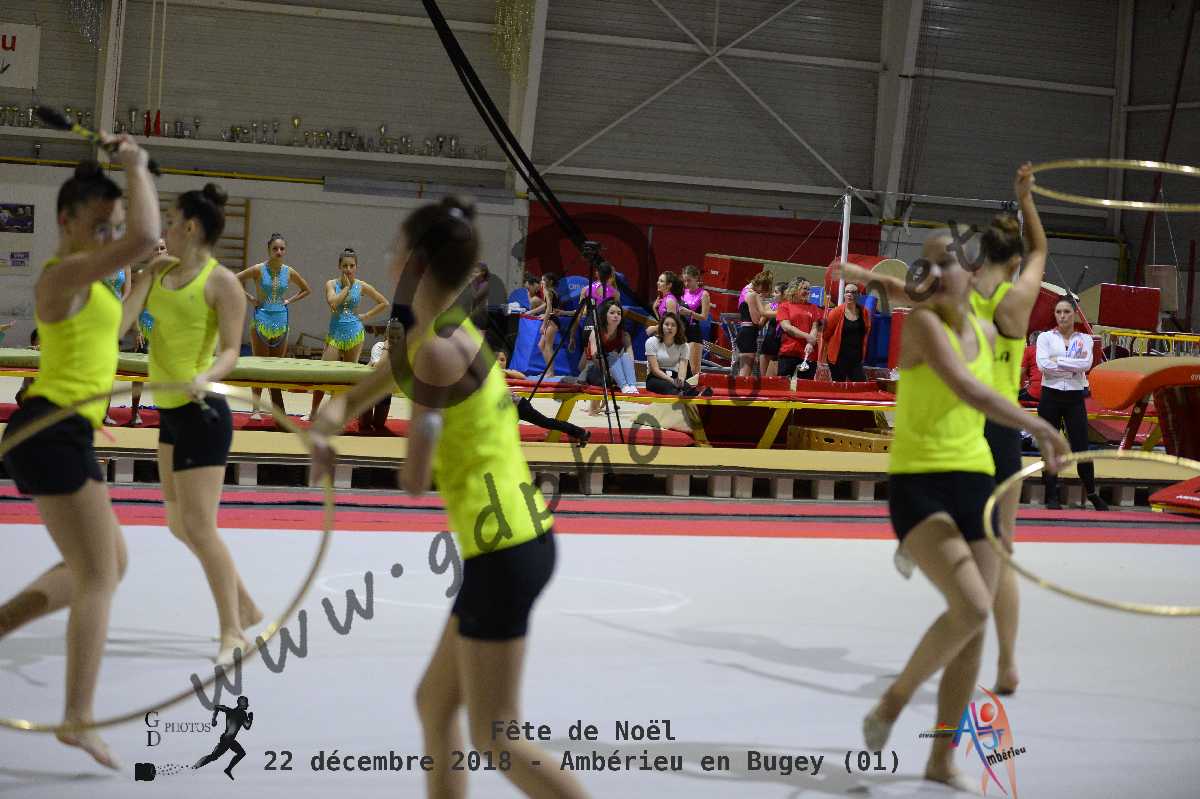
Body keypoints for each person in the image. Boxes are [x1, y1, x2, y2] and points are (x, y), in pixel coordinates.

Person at [312, 196, 590, 799]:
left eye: (395, 247)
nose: (388, 256)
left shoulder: (435, 352)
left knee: (497, 737)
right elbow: (357, 396)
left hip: (505, 549)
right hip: (514, 541)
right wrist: (324, 426)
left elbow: (415, 480)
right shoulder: (441, 334)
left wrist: (347, 445)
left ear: (413, 263)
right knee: (435, 705)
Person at [861, 230, 1068, 791]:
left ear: (970, 273)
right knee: (974, 605)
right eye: (926, 265)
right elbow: (969, 389)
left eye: (946, 262)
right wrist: (1040, 426)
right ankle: (895, 699)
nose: (934, 273)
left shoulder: (990, 323)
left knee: (972, 627)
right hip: (919, 480)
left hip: (975, 476)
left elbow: (1036, 256)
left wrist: (1026, 206)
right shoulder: (924, 325)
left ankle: (941, 757)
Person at [0, 142, 162, 769]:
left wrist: (143, 279)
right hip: (51, 428)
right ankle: (78, 717)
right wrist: (137, 167)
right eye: (100, 227)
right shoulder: (60, 277)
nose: (110, 239)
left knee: (108, 562)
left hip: (62, 431)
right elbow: (144, 234)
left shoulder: (94, 290)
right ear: (66, 221)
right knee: (99, 575)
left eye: (113, 229)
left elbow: (116, 329)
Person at [129, 183, 263, 665]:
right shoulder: (159, 272)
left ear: (189, 227)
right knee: (177, 524)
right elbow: (123, 324)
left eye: (169, 221)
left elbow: (230, 350)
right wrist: (139, 276)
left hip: (202, 412)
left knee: (200, 527)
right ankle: (245, 605)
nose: (163, 229)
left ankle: (233, 632)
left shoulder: (222, 282)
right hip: (169, 412)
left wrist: (206, 376)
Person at [1037, 298, 1105, 511]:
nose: (1062, 316)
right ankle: (1051, 494)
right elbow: (1043, 365)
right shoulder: (1045, 337)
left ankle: (1092, 493)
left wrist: (1058, 362)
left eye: (1066, 311)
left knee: (1081, 447)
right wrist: (1071, 367)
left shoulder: (1085, 339)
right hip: (1050, 396)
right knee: (1049, 447)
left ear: (1074, 314)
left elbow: (1085, 364)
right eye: (1058, 312)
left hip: (1074, 398)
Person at [306, 248, 389, 420]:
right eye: (345, 266)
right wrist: (346, 288)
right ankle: (313, 412)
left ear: (356, 267)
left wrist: (366, 315)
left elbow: (383, 302)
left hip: (355, 334)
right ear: (339, 266)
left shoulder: (362, 285)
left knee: (346, 378)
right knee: (323, 374)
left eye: (352, 266)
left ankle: (336, 414)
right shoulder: (331, 284)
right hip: (335, 335)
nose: (348, 269)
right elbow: (333, 303)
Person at [235, 233, 311, 420]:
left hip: (281, 320)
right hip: (261, 319)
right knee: (260, 365)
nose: (279, 251)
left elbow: (306, 289)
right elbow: (233, 279)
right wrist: (250, 298)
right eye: (275, 248)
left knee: (276, 367)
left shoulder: (289, 271)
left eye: (282, 248)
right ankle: (256, 409)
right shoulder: (258, 269)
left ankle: (277, 409)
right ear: (268, 250)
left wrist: (289, 300)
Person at [645, 312, 710, 397]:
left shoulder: (684, 345)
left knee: (686, 386)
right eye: (666, 324)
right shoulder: (651, 342)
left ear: (678, 328)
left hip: (675, 376)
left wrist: (681, 380)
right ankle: (682, 395)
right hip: (656, 378)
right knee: (669, 387)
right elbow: (655, 370)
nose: (669, 327)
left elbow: (683, 367)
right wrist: (672, 381)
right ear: (661, 326)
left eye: (673, 325)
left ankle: (696, 394)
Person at [586, 299, 639, 395]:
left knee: (625, 356)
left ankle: (632, 385)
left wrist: (622, 372)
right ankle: (623, 385)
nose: (616, 316)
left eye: (619, 313)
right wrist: (610, 371)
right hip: (599, 370)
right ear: (605, 315)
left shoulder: (625, 335)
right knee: (613, 355)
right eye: (612, 313)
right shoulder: (596, 333)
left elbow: (630, 357)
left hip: (618, 372)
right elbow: (595, 357)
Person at [193, 696, 253, 780]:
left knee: (241, 753)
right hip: (227, 740)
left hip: (228, 739)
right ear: (242, 703)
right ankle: (195, 766)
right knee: (214, 756)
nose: (247, 705)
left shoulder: (229, 711)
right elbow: (247, 726)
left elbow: (217, 707)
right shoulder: (242, 714)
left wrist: (214, 720)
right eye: (246, 703)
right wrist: (251, 718)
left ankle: (228, 769)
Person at [823, 282, 872, 381]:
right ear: (844, 294)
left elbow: (866, 331)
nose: (849, 294)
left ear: (858, 295)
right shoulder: (836, 312)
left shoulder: (864, 312)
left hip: (856, 358)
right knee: (839, 387)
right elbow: (826, 334)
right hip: (838, 358)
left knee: (859, 384)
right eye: (847, 292)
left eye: (853, 292)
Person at [777, 279, 822, 381]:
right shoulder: (785, 306)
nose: (808, 292)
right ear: (795, 289)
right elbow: (786, 327)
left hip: (808, 353)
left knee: (805, 386)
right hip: (789, 352)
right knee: (784, 384)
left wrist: (810, 343)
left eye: (809, 289)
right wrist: (808, 337)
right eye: (805, 288)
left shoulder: (813, 308)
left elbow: (815, 327)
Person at [735, 271, 775, 377]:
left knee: (743, 373)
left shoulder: (745, 290)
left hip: (746, 333)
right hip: (748, 335)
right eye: (764, 290)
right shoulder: (753, 295)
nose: (763, 293)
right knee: (745, 375)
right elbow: (756, 320)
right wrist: (768, 312)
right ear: (761, 286)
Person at [357, 329, 395, 434]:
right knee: (365, 424)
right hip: (368, 388)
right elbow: (378, 367)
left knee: (379, 424)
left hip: (384, 389)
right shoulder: (379, 346)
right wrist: (387, 348)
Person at [679, 265, 711, 379]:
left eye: (689, 280)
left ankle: (695, 389)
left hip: (694, 332)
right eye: (684, 281)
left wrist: (689, 313)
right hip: (681, 332)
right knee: (680, 368)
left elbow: (704, 317)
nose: (686, 283)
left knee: (693, 370)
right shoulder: (683, 292)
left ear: (696, 278)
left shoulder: (704, 294)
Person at [759, 282, 787, 378]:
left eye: (776, 292)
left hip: (781, 346)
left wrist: (756, 301)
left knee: (772, 380)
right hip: (768, 344)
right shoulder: (770, 306)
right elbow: (760, 324)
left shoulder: (787, 308)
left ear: (784, 294)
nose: (773, 294)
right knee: (763, 379)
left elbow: (765, 313)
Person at [645, 270, 684, 339]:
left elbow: (671, 324)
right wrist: (654, 309)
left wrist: (654, 328)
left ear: (669, 285)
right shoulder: (664, 298)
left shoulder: (670, 301)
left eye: (661, 281)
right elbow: (662, 321)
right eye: (658, 280)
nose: (658, 283)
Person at [536, 272, 560, 369]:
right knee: (541, 345)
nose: (541, 282)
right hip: (552, 319)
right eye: (541, 280)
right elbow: (547, 306)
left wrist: (543, 325)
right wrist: (532, 312)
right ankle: (548, 370)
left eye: (544, 280)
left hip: (552, 321)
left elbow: (549, 308)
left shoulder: (547, 291)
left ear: (550, 282)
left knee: (548, 346)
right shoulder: (552, 291)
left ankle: (550, 372)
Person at [14, 328, 39, 407]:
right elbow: (28, 385)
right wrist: (28, 357)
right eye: (40, 339)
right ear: (33, 343)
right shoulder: (31, 355)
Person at [1019, 332, 1042, 404]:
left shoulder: (1029, 350)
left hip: (1035, 392)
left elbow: (1021, 373)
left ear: (1031, 341)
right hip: (1051, 393)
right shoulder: (1051, 351)